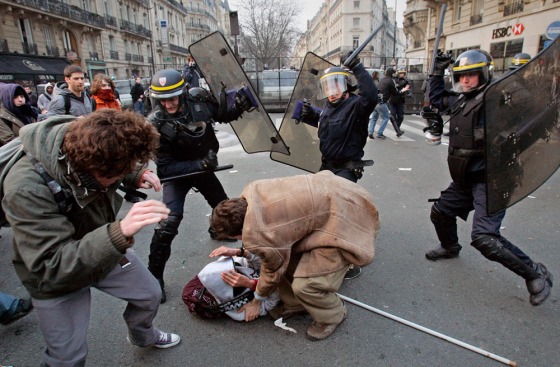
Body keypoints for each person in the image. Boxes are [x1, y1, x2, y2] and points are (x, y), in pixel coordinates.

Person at [2, 109, 181, 366]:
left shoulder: (84, 137)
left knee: (150, 294)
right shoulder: (24, 187)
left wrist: (134, 173)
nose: (121, 177)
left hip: (100, 247)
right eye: (118, 173)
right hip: (55, 275)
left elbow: (113, 154)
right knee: (67, 358)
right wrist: (120, 232)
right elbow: (50, 264)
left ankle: (143, 336)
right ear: (90, 167)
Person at [425, 49, 553, 306]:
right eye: (462, 76)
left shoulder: (495, 99)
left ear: (484, 73)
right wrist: (437, 72)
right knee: (440, 212)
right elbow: (436, 99)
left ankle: (535, 272)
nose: (467, 80)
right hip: (464, 179)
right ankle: (450, 246)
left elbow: (532, 105)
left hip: (491, 180)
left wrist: (514, 79)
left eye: (472, 75)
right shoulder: (462, 100)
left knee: (485, 238)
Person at [209, 171, 378, 340]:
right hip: (342, 192)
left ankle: (332, 315)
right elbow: (278, 257)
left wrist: (257, 301)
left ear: (236, 235)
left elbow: (272, 271)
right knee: (287, 260)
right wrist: (241, 252)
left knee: (307, 285)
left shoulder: (261, 235)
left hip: (349, 218)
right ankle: (296, 303)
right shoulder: (250, 193)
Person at [146, 68, 254, 303]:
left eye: (172, 97)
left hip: (203, 167)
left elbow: (223, 115)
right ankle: (154, 277)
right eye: (163, 100)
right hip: (178, 174)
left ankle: (219, 231)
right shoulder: (154, 124)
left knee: (227, 209)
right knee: (169, 223)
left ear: (182, 93)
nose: (168, 104)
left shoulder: (199, 101)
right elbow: (164, 168)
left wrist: (239, 106)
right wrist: (200, 163)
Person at [299, 55, 377, 279]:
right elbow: (328, 123)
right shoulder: (329, 108)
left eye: (336, 85)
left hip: (346, 169)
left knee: (342, 214)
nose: (331, 91)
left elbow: (371, 96)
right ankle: (325, 248)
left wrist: (357, 66)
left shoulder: (355, 106)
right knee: (320, 208)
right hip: (327, 167)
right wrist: (310, 115)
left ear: (345, 87)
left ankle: (351, 260)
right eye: (328, 86)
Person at [371, 68, 407, 139]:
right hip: (383, 102)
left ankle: (370, 132)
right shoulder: (390, 81)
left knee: (374, 118)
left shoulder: (382, 79)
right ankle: (380, 133)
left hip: (376, 101)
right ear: (392, 73)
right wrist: (402, 91)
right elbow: (395, 92)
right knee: (386, 117)